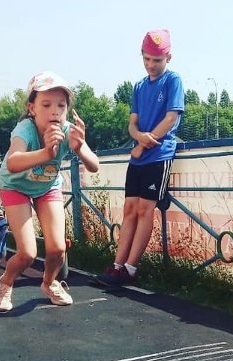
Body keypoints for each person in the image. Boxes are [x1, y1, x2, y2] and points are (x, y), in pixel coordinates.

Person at [0, 71, 99, 312]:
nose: (55, 112)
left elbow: (94, 165)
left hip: (47, 186)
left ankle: (49, 283)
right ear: (32, 108)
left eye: (61, 105)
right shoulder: (25, 130)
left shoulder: (68, 130)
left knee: (57, 249)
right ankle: (4, 284)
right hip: (15, 186)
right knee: (27, 253)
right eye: (46, 105)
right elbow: (13, 162)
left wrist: (80, 147)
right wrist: (47, 153)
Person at [95, 29, 185, 287]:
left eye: (157, 60)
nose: (151, 65)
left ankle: (130, 269)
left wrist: (144, 143)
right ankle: (116, 266)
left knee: (145, 210)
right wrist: (138, 137)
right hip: (138, 158)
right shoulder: (139, 86)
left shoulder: (173, 80)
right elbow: (132, 124)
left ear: (168, 57)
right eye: (146, 59)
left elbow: (171, 118)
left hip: (159, 155)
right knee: (129, 209)